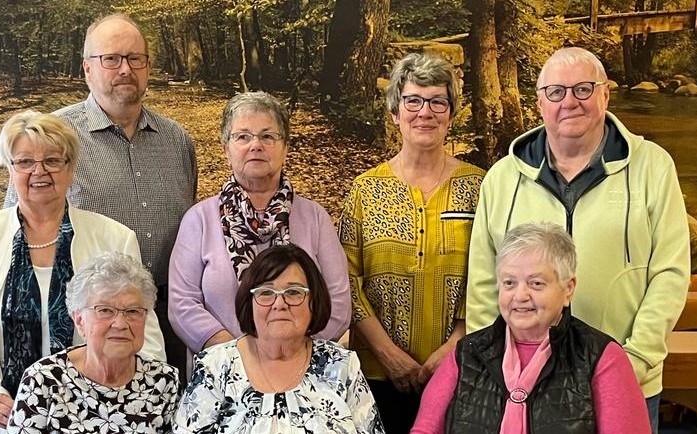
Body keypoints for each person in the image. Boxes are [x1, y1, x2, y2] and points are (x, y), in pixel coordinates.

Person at [465, 47, 690, 433]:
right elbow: (484, 282)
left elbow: (670, 271)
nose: (569, 102)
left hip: (626, 379)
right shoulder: (502, 178)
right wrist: (491, 368)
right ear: (540, 102)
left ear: (605, 94)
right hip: (524, 387)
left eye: (584, 89)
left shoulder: (652, 166)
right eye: (556, 92)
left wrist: (635, 359)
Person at [0, 110, 165, 433]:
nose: (39, 171)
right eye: (25, 162)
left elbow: (143, 330)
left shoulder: (115, 238)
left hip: (96, 417)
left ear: (71, 169)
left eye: (53, 161)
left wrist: (134, 403)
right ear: (10, 170)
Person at [3, 13, 197, 373]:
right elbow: (15, 228)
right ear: (87, 69)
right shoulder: (54, 138)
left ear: (148, 67)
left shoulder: (178, 141)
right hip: (87, 322)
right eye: (111, 59)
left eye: (135, 58)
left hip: (169, 317)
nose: (125, 69)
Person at [338, 52, 485, 433]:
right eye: (413, 100)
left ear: (451, 114)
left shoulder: (481, 188)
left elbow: (492, 274)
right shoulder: (366, 189)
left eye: (438, 101)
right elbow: (346, 280)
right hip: (377, 374)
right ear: (394, 113)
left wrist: (454, 348)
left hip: (463, 369)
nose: (426, 112)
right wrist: (388, 355)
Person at [412, 222, 650, 433]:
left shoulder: (602, 357)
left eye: (536, 283)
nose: (520, 295)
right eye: (509, 283)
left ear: (568, 288)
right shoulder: (466, 353)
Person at [168, 91, 350, 356]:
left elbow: (339, 302)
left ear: (285, 147)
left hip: (301, 370)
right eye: (242, 136)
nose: (256, 145)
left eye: (267, 136)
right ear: (225, 149)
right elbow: (182, 304)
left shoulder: (315, 218)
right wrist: (238, 355)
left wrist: (291, 353)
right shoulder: (199, 219)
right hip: (223, 372)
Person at [174, 244, 383, 433]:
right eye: (266, 292)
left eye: (293, 292)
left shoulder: (342, 365)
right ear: (250, 302)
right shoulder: (215, 366)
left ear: (314, 301)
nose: (279, 303)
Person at [7, 252, 180, 433]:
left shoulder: (165, 381)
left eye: (133, 311)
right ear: (79, 320)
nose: (120, 324)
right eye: (105, 310)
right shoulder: (43, 380)